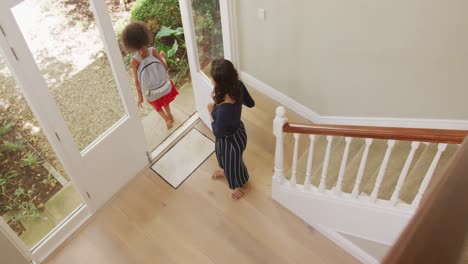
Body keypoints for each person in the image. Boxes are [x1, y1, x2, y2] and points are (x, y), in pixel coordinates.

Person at [208, 59, 255, 200]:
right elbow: (251, 103)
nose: (211, 79)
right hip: (237, 131)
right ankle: (225, 170)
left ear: (218, 82)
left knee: (234, 167)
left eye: (212, 78)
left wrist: (210, 111)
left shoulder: (223, 110)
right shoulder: (238, 86)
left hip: (231, 142)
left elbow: (217, 132)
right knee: (224, 159)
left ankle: (245, 186)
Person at [121, 21, 179, 129]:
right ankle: (170, 114)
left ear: (129, 43)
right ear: (145, 35)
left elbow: (137, 81)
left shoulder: (134, 61)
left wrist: (140, 97)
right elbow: (164, 66)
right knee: (164, 100)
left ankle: (166, 119)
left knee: (156, 105)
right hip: (163, 85)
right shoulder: (153, 51)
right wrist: (162, 56)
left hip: (150, 91)